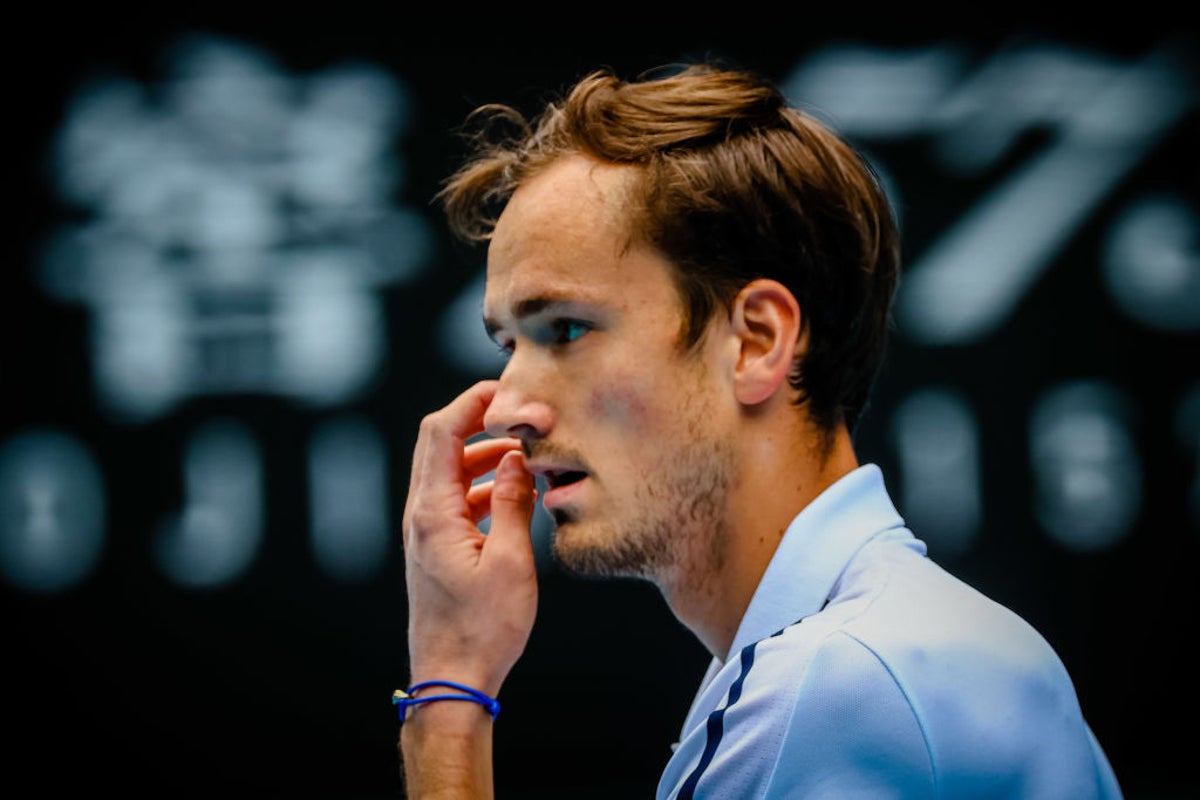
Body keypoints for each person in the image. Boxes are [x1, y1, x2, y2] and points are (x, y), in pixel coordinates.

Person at [398, 61, 1122, 798]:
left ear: (756, 341)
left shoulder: (842, 681)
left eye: (567, 329)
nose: (506, 406)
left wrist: (449, 692)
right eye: (508, 345)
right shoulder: (869, 650)